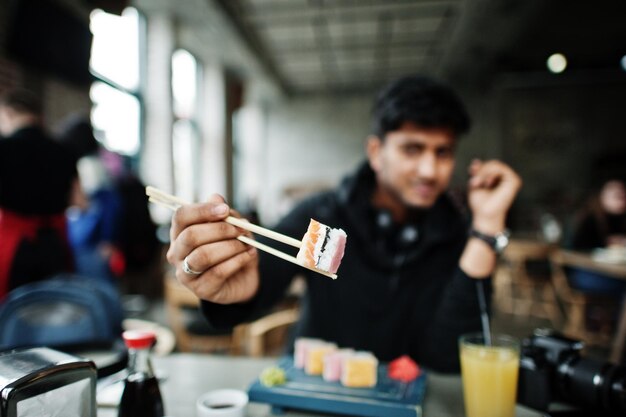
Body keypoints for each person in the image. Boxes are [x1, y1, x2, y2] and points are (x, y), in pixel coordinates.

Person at [166, 76, 522, 372]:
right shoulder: (323, 215)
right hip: (315, 390)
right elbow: (256, 280)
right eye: (412, 149)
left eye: (442, 152)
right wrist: (227, 283)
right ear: (375, 153)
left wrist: (486, 228)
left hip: (403, 398)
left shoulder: (455, 232)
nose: (430, 170)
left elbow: (451, 356)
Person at [0, 89, 81, 299]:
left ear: (8, 113)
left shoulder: (4, 148)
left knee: (13, 312)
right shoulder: (65, 151)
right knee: (52, 308)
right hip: (55, 244)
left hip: (15, 246)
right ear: (39, 116)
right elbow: (79, 201)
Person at [567, 178, 626, 294]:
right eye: (616, 196)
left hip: (611, 272)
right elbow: (575, 250)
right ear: (602, 196)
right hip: (584, 272)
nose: (622, 199)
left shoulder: (622, 219)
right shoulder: (589, 218)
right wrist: (608, 244)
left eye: (623, 195)